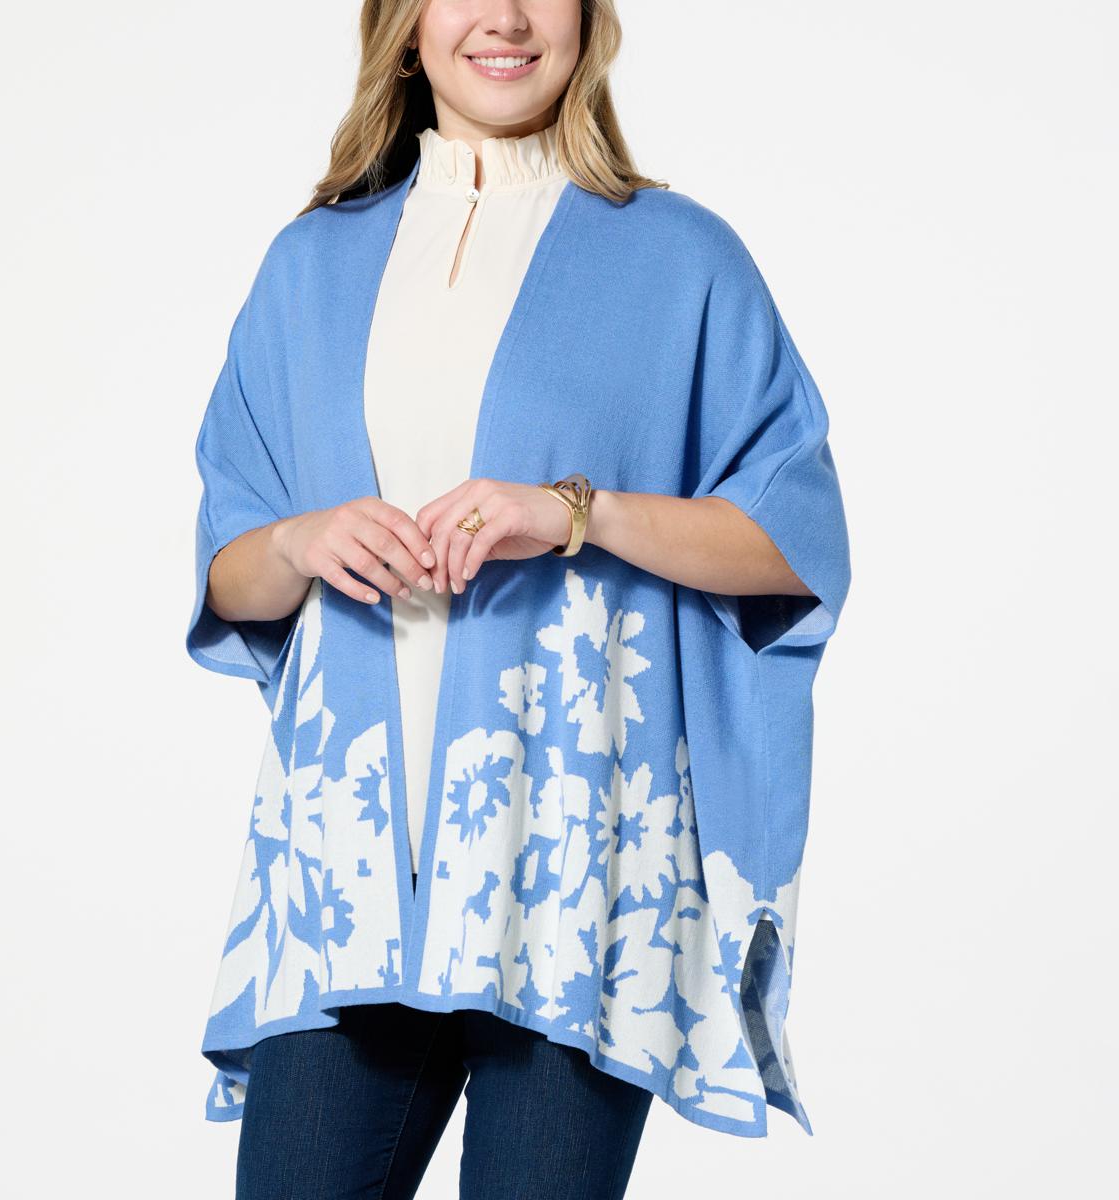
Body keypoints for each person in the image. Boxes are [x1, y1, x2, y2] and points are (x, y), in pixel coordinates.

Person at [185, 2, 852, 1197]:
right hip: (349, 875)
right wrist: (301, 538)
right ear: (404, 25)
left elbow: (792, 542)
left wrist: (573, 513)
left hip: (574, 862)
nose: (503, 16)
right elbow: (231, 567)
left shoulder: (677, 258)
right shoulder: (311, 265)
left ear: (589, 21)